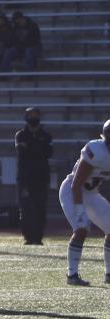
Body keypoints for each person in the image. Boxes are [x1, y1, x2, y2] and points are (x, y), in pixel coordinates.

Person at [59, 120, 110, 285]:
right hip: (72, 191)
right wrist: (80, 210)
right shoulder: (97, 150)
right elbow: (76, 185)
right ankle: (72, 275)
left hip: (91, 193)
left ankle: (109, 274)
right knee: (81, 228)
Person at [16, 108, 54, 246]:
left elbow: (48, 152)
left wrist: (32, 145)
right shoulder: (20, 135)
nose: (33, 118)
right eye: (30, 116)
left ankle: (38, 237)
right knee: (26, 208)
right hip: (25, 178)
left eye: (36, 115)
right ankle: (28, 237)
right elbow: (22, 151)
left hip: (41, 177)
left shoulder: (46, 135)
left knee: (40, 207)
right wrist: (37, 145)